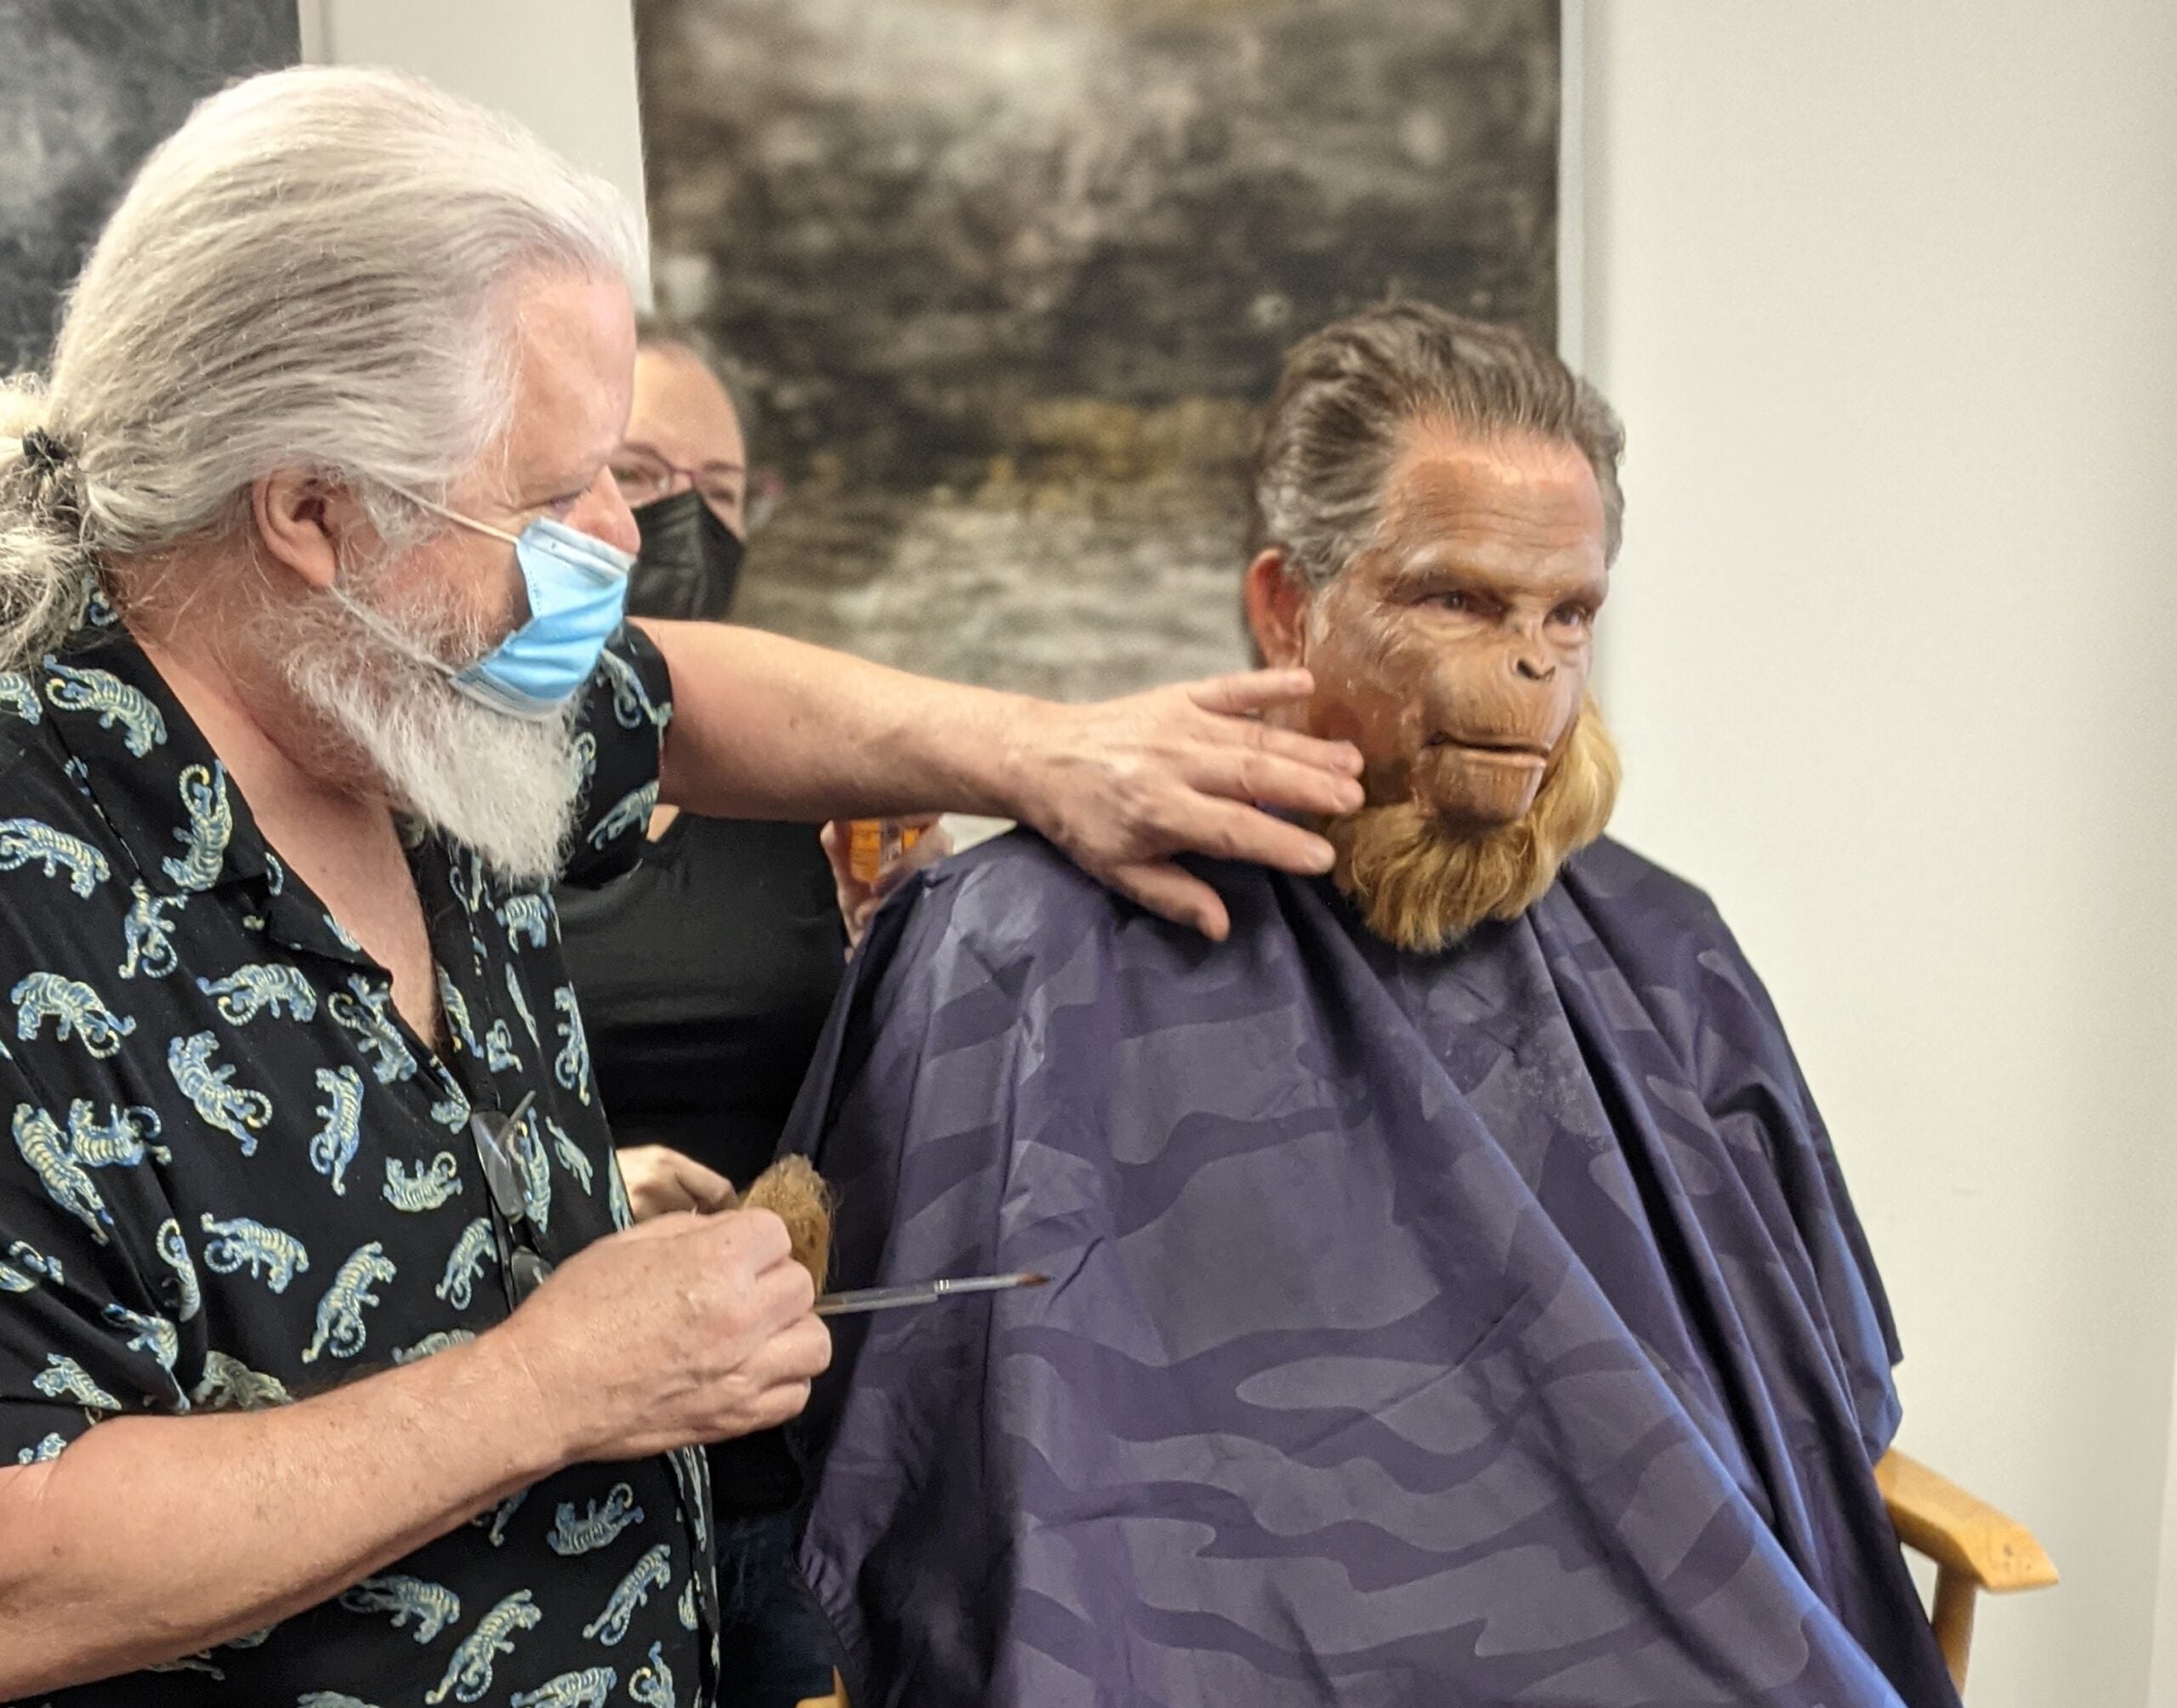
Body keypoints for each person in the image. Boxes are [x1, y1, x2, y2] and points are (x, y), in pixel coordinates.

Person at [0, 67, 1368, 1704]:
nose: (617, 538)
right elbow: (23, 1571)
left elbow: (687, 696)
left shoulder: (402, 675)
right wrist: (553, 1381)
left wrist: (1040, 754)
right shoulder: (39, 889)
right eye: (554, 493)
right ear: (308, 507)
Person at [782, 304, 1961, 1707]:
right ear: (1289, 605)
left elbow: (1819, 1404)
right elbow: (918, 1475)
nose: (1534, 665)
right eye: (1458, 597)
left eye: (1568, 612)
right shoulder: (1023, 945)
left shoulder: (1663, 950)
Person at [556, 325, 891, 1705]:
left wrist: (890, 948)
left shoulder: (813, 799)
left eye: (719, 488)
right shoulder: (447, 797)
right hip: (562, 1489)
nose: (678, 520)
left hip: (789, 1475)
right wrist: (574, 1189)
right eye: (635, 473)